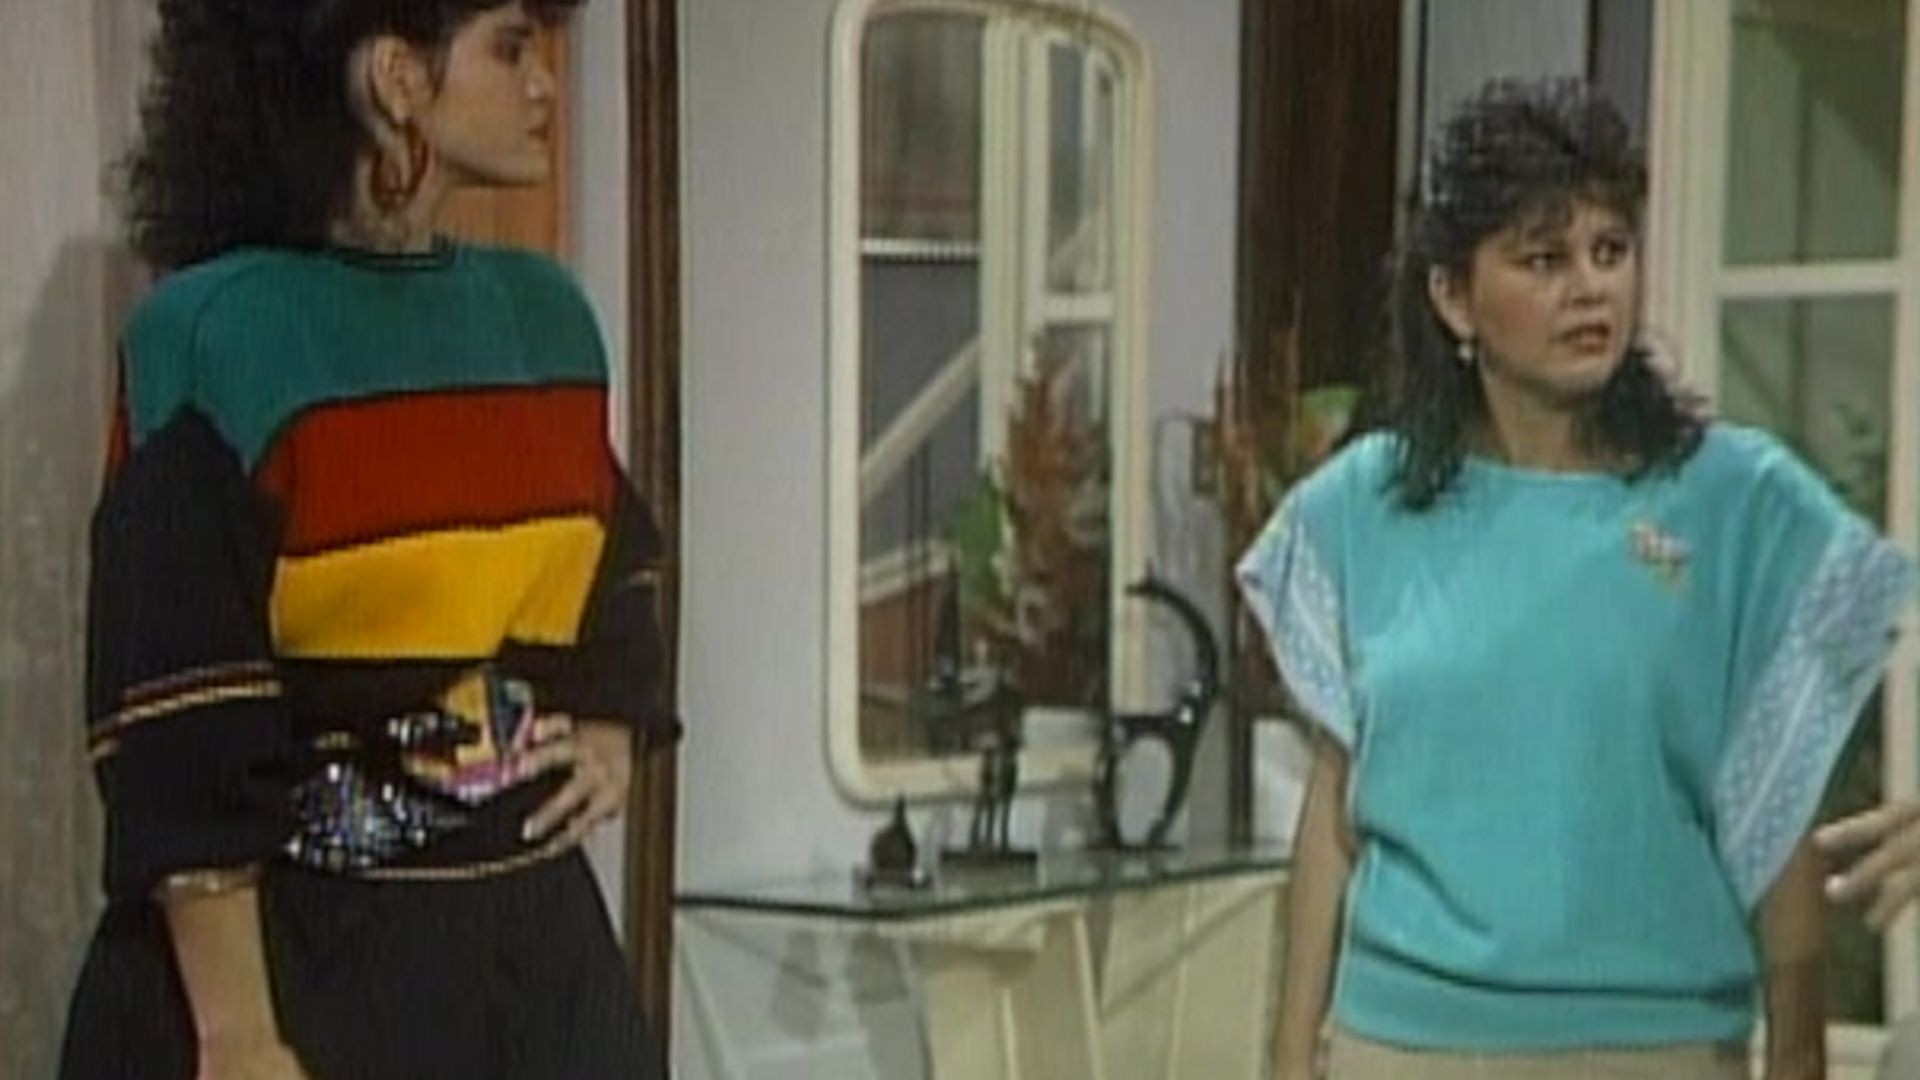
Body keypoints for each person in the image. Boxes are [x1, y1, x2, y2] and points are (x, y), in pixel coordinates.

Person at [1238, 77, 1917, 1080]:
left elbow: (1778, 794)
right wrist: (1291, 1054)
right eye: (1545, 259)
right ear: (1453, 296)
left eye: (1610, 250)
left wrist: (1800, 1048)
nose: (1591, 288)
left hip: (1657, 1047)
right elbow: (1338, 802)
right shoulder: (1361, 507)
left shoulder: (1735, 501)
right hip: (1402, 1045)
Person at [59, 2, 676, 1077]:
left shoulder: (548, 321)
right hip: (298, 956)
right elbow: (178, 703)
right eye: (511, 47)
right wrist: (238, 1036)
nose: (543, 85)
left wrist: (614, 721)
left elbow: (614, 552)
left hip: (531, 956)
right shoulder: (221, 337)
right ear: (396, 77)